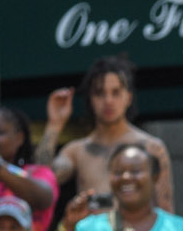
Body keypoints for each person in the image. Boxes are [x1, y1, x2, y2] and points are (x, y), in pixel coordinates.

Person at [43, 57, 174, 214]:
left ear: (128, 97)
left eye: (116, 92)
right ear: (90, 99)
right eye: (100, 93)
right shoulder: (77, 151)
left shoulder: (152, 147)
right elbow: (42, 183)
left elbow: (166, 211)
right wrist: (54, 125)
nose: (108, 100)